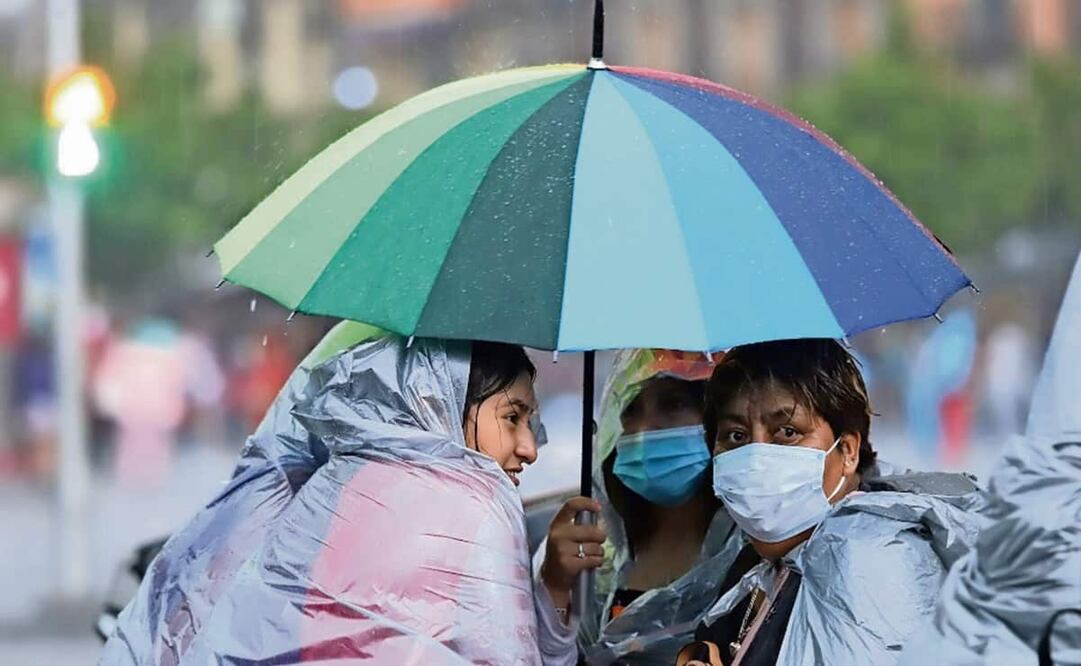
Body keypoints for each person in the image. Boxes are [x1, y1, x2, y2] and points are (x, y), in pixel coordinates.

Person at [101, 327, 547, 664]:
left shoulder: (336, 487)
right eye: (512, 418)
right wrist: (559, 598)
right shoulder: (475, 507)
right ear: (439, 403)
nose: (529, 446)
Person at [677, 338, 984, 666]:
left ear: (848, 451)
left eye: (788, 432)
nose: (756, 457)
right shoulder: (760, 562)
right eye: (737, 436)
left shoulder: (867, 559)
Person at [536, 349, 745, 664]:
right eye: (631, 410)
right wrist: (554, 584)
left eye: (672, 404)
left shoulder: (751, 545)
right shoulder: (593, 544)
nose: (645, 429)